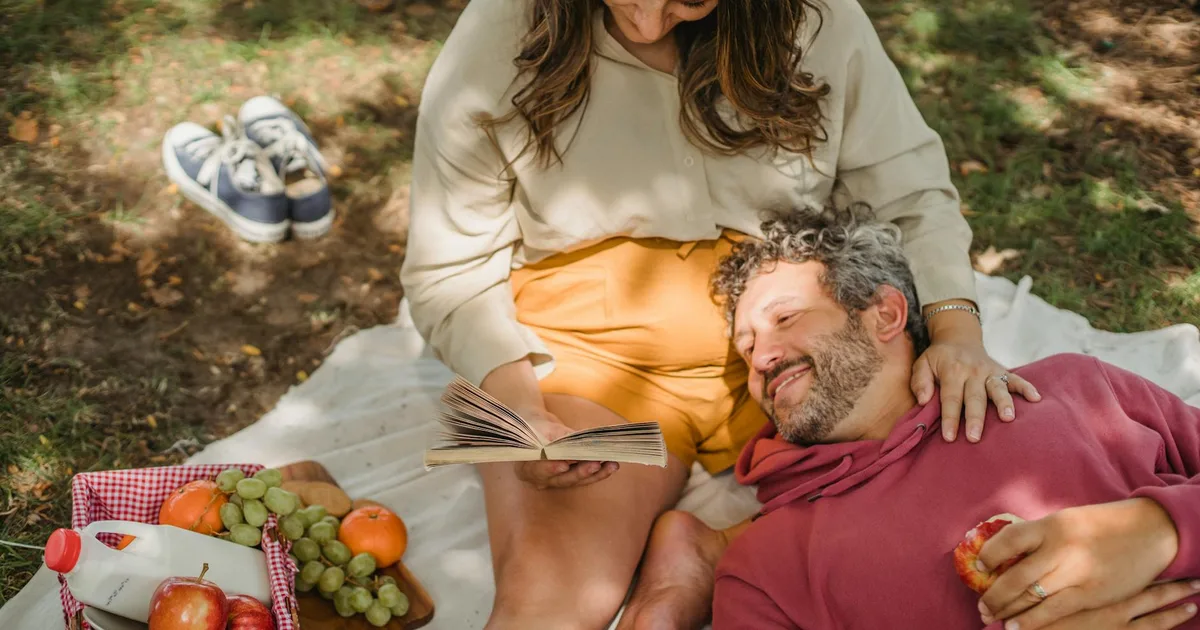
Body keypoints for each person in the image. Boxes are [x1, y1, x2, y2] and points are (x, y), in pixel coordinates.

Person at [400, 0, 1038, 627]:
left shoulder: (816, 19)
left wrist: (955, 331)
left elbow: (910, 197)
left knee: (958, 538)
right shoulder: (506, 27)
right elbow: (449, 266)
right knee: (553, 607)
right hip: (597, 360)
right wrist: (523, 409)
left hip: (799, 339)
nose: (646, 23)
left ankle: (711, 557)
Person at [699, 207, 1200, 629]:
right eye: (746, 350)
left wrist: (1160, 531)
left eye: (785, 318)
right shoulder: (764, 569)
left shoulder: (1075, 388)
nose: (762, 357)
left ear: (885, 315)